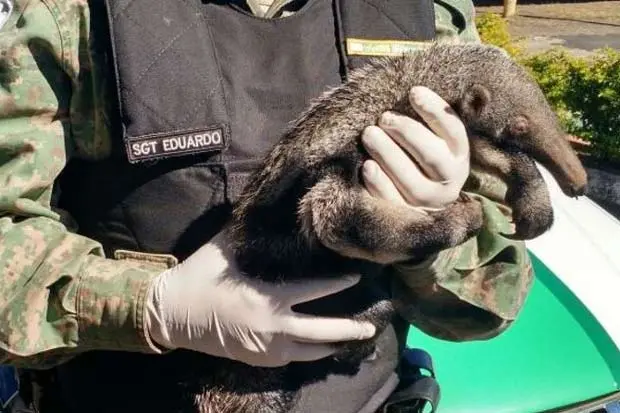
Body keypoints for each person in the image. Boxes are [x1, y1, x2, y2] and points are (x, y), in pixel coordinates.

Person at [0, 0, 533, 411]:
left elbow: (493, 300)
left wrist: (427, 237)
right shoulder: (67, 16)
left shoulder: (428, 16)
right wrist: (151, 306)